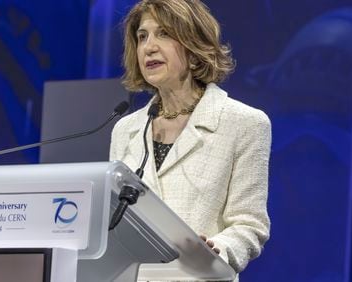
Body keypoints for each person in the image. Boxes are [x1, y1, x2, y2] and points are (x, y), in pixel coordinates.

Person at [109, 0, 271, 280]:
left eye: (164, 34)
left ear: (196, 49)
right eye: (142, 36)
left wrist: (217, 248)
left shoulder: (244, 123)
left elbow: (250, 224)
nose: (149, 47)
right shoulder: (125, 129)